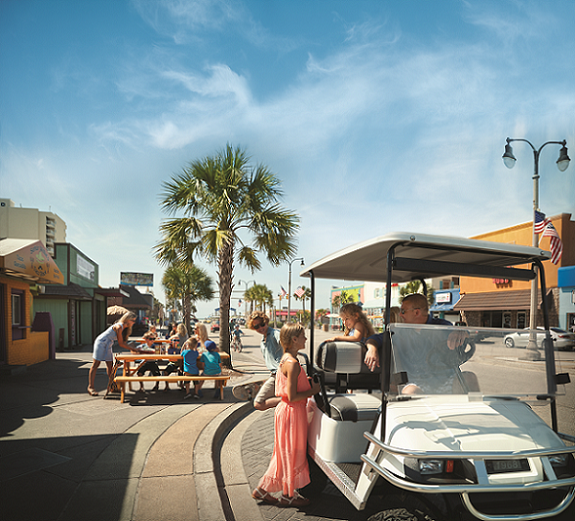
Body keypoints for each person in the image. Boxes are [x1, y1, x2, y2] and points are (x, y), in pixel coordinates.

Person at [252, 323, 321, 507]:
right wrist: (313, 390)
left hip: (286, 412)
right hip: (293, 413)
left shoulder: (286, 359)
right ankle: (289, 495)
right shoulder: (293, 364)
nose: (306, 339)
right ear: (294, 340)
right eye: (303, 336)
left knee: (283, 453)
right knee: (293, 453)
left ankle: (263, 489)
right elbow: (292, 396)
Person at [88, 311, 140, 396]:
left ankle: (112, 386)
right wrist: (133, 349)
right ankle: (91, 387)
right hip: (101, 342)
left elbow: (124, 342)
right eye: (133, 320)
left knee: (110, 366)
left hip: (108, 343)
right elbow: (121, 344)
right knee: (96, 364)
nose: (134, 323)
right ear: (128, 319)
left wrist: (133, 348)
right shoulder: (119, 327)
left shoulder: (125, 328)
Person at [248, 311, 284, 410]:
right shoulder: (262, 341)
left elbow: (286, 342)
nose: (260, 328)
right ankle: (288, 400)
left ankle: (291, 400)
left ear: (266, 322)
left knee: (258, 403)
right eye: (256, 327)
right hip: (274, 375)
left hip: (282, 375)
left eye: (262, 324)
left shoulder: (274, 334)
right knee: (260, 404)